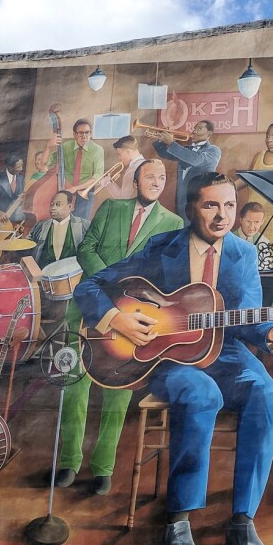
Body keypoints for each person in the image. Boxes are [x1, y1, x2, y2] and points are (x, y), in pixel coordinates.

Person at [73, 172, 273, 545]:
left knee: (271, 401)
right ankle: (179, 519)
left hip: (227, 351)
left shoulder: (243, 253)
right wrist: (118, 319)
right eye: (211, 205)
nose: (222, 216)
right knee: (202, 394)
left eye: (230, 206)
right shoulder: (162, 246)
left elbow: (247, 318)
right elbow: (89, 286)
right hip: (169, 357)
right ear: (190, 209)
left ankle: (242, 520)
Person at [55, 160, 183, 496]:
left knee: (119, 387)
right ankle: (69, 462)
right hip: (87, 308)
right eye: (150, 176)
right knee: (75, 383)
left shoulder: (173, 223)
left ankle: (103, 468)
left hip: (132, 313)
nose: (156, 182)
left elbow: (163, 273)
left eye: (162, 178)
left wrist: (125, 296)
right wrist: (109, 284)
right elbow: (86, 249)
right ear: (136, 181)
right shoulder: (111, 207)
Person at [153, 120, 221, 225]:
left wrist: (171, 143)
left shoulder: (214, 150)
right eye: (194, 128)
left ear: (209, 133)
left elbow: (196, 160)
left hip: (199, 199)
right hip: (181, 199)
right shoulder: (186, 150)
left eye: (199, 128)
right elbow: (164, 154)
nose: (195, 131)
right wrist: (160, 139)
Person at [46, 118, 105, 219]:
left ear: (90, 133)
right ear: (74, 134)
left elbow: (97, 176)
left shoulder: (97, 150)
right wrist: (48, 146)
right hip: (66, 189)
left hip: (86, 190)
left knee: (80, 222)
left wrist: (75, 188)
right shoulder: (65, 147)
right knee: (63, 221)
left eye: (87, 132)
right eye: (80, 133)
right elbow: (47, 162)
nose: (84, 136)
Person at [28, 191, 89, 269]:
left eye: (58, 204)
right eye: (52, 204)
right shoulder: (40, 225)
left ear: (70, 206)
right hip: (43, 274)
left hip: (74, 274)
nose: (53, 208)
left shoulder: (84, 225)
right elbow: (27, 247)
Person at [101, 136, 145, 200]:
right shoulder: (145, 163)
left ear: (128, 151)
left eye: (119, 154)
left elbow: (122, 198)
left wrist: (107, 183)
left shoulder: (132, 170)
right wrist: (111, 182)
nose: (119, 158)